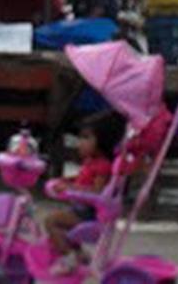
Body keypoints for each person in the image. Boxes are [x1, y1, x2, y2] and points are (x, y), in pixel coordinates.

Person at [45, 111, 126, 276]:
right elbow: (83, 180)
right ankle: (79, 254)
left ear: (102, 141)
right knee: (62, 224)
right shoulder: (90, 162)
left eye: (86, 138)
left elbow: (97, 192)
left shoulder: (102, 165)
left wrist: (70, 189)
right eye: (80, 137)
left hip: (89, 215)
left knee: (51, 221)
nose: (80, 143)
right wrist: (67, 181)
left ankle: (69, 259)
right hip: (81, 211)